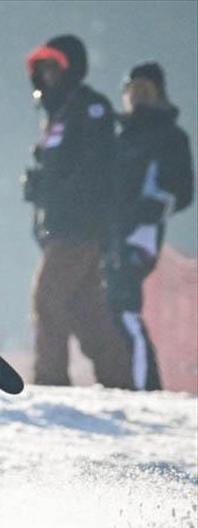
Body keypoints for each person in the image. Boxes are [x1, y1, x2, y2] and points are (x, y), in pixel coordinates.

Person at [21, 34, 133, 389]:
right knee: (87, 311)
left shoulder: (90, 108)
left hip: (80, 226)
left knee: (48, 297)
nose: (47, 74)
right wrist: (37, 185)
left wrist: (61, 193)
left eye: (54, 65)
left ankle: (50, 382)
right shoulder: (58, 115)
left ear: (71, 67)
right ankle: (121, 383)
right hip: (58, 226)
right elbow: (55, 168)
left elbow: (96, 168)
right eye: (42, 67)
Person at [105, 62, 195, 391]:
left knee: (124, 307)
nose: (138, 99)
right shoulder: (119, 137)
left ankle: (146, 387)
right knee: (109, 307)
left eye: (146, 92)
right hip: (110, 234)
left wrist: (152, 207)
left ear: (159, 95)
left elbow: (182, 190)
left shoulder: (169, 136)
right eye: (133, 92)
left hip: (141, 235)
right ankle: (122, 381)